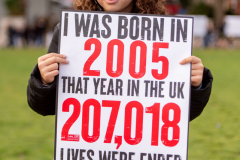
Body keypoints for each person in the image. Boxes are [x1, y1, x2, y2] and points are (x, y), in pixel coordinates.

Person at [27, 0, 213, 121]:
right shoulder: (71, 31)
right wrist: (43, 81)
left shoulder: (165, 33)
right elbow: (44, 107)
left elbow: (178, 116)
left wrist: (195, 86)